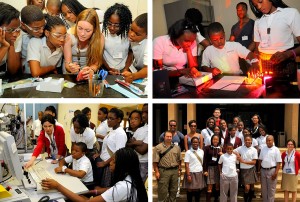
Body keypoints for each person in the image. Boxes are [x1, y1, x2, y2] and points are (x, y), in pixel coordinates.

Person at [41, 147, 148, 202]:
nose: (110, 163)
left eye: (114, 161)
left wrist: (58, 186)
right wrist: (93, 191)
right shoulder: (132, 178)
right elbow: (111, 189)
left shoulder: (123, 187)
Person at [249, 0, 300, 80]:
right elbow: (257, 49)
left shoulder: (291, 13)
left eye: (260, 1)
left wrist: (287, 54)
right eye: (255, 5)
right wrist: (255, 62)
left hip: (285, 67)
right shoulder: (258, 22)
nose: (259, 7)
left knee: (286, 92)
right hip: (264, 68)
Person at [63, 8, 104, 80]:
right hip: (70, 76)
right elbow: (67, 63)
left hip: (88, 76)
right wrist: (70, 67)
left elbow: (97, 62)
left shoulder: (100, 38)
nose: (82, 34)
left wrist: (91, 70)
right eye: (80, 28)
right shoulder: (69, 37)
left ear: (94, 29)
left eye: (87, 30)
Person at [97, 108, 127, 187]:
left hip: (109, 165)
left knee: (106, 188)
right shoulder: (112, 130)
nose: (108, 120)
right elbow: (107, 146)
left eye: (111, 118)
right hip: (104, 162)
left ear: (119, 120)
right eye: (108, 118)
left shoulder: (120, 133)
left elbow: (118, 153)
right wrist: (100, 154)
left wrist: (105, 163)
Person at [102, 3, 132, 74]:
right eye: (109, 24)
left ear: (123, 24)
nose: (112, 28)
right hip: (106, 69)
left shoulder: (130, 33)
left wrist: (126, 69)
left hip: (124, 69)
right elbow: (99, 54)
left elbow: (131, 52)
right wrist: (108, 69)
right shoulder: (102, 31)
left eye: (117, 25)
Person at [153, 130, 182, 202]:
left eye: (170, 136)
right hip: (163, 171)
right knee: (162, 191)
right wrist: (156, 172)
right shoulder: (158, 147)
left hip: (174, 171)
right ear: (164, 137)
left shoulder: (177, 148)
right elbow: (155, 161)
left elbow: (179, 160)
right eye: (167, 136)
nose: (169, 138)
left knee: (174, 190)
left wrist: (179, 169)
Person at [122, 13, 148, 83]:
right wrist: (126, 69)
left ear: (147, 36)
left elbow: (147, 69)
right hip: (136, 69)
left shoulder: (148, 45)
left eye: (137, 34)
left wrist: (133, 76)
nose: (131, 34)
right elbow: (131, 53)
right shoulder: (133, 39)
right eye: (131, 29)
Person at [20, 5, 46, 74]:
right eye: (36, 29)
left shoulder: (45, 31)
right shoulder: (18, 37)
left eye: (43, 26)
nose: (41, 31)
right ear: (23, 25)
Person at [126, 109, 148, 183]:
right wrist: (137, 143)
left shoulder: (148, 129)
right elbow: (128, 144)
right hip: (134, 161)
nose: (132, 121)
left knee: (139, 185)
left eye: (136, 119)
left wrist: (133, 143)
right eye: (131, 118)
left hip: (143, 162)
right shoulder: (140, 129)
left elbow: (142, 150)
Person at [234, 135, 258, 202]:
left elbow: (254, 162)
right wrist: (238, 154)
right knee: (247, 187)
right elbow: (233, 151)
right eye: (246, 140)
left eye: (249, 140)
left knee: (252, 187)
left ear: (251, 141)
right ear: (244, 141)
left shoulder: (254, 150)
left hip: (251, 169)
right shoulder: (241, 148)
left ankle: (249, 200)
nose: (247, 141)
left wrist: (243, 161)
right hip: (244, 170)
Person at [0, 3, 22, 76]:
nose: (16, 34)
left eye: (18, 29)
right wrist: (4, 46)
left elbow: (13, 70)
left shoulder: (15, 37)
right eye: (10, 30)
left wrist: (11, 44)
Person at [182, 136, 206, 202]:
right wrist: (188, 175)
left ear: (199, 143)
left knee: (197, 190)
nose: (195, 143)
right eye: (194, 142)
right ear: (191, 143)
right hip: (191, 173)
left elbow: (203, 162)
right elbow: (186, 164)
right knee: (190, 190)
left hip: (199, 172)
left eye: (197, 142)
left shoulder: (201, 151)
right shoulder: (188, 152)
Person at [258, 135, 281, 202]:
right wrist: (259, 171)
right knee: (264, 189)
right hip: (263, 170)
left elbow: (278, 162)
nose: (268, 142)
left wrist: (276, 173)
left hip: (272, 171)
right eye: (267, 140)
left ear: (273, 141)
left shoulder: (276, 149)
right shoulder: (263, 149)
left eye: (270, 140)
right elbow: (260, 160)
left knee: (271, 190)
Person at [203, 134, 223, 201]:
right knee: (210, 186)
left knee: (217, 186)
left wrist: (222, 154)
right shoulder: (207, 148)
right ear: (211, 140)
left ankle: (216, 199)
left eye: (217, 139)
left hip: (218, 168)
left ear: (219, 140)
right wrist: (205, 170)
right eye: (214, 139)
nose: (215, 141)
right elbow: (205, 159)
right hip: (210, 168)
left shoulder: (220, 148)